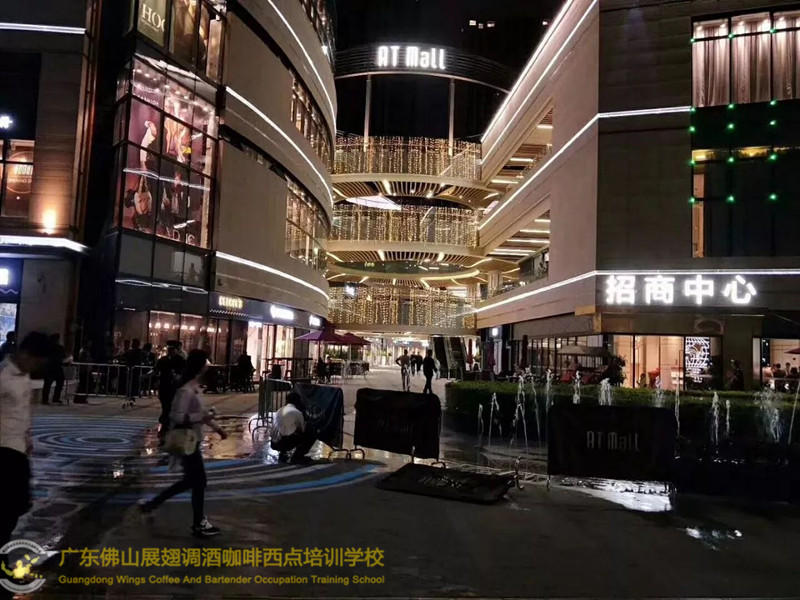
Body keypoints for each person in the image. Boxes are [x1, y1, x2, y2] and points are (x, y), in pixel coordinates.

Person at [139, 349, 226, 537]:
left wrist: (217, 428)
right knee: (198, 482)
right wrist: (203, 416)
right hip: (188, 442)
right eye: (205, 363)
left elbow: (201, 414)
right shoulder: (186, 390)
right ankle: (198, 523)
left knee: (191, 481)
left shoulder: (194, 387)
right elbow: (178, 416)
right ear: (200, 366)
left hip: (193, 440)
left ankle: (152, 504)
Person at [0, 332, 51, 551]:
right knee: (6, 509)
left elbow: (23, 409)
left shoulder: (25, 376)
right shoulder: (2, 375)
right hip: (3, 450)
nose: (36, 367)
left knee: (18, 506)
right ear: (25, 353)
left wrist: (27, 436)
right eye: (36, 362)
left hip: (18, 449)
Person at [153, 341, 186, 440]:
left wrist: (178, 377)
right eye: (169, 349)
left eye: (172, 349)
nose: (170, 351)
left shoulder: (180, 360)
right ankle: (166, 421)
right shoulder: (163, 360)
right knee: (165, 405)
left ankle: (167, 422)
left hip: (174, 387)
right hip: (164, 385)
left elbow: (182, 372)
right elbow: (156, 370)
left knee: (171, 405)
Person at [271, 393, 317, 463]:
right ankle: (298, 456)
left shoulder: (279, 410)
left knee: (287, 430)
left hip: (273, 442)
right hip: (284, 442)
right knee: (312, 433)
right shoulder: (297, 412)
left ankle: (283, 453)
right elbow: (302, 430)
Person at [41, 333, 66, 405]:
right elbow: (63, 357)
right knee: (59, 382)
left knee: (47, 384)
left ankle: (45, 399)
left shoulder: (46, 348)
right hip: (57, 367)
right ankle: (56, 397)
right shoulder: (60, 348)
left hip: (49, 367)